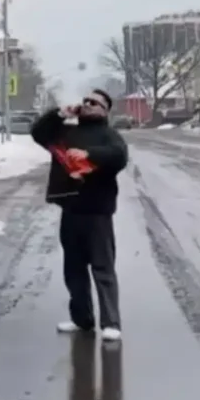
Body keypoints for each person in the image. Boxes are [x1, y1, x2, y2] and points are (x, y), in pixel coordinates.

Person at [30, 89, 129, 341]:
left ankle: (111, 323)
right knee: (73, 270)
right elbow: (38, 133)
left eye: (93, 102)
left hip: (97, 212)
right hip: (70, 209)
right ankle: (82, 319)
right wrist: (60, 114)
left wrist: (89, 155)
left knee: (102, 269)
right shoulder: (67, 132)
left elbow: (120, 156)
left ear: (104, 110)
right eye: (85, 100)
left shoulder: (109, 135)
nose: (86, 104)